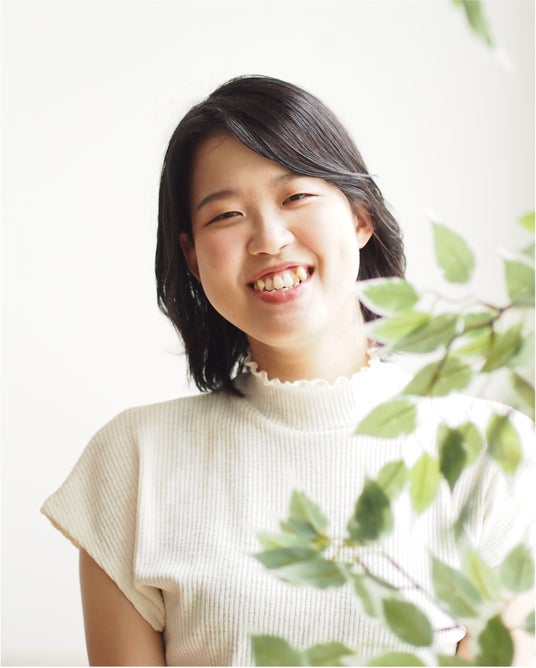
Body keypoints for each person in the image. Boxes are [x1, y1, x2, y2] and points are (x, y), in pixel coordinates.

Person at [42, 75, 534, 666]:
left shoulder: (492, 451)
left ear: (360, 215)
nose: (270, 240)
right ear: (192, 257)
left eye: (296, 196)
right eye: (226, 215)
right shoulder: (133, 462)